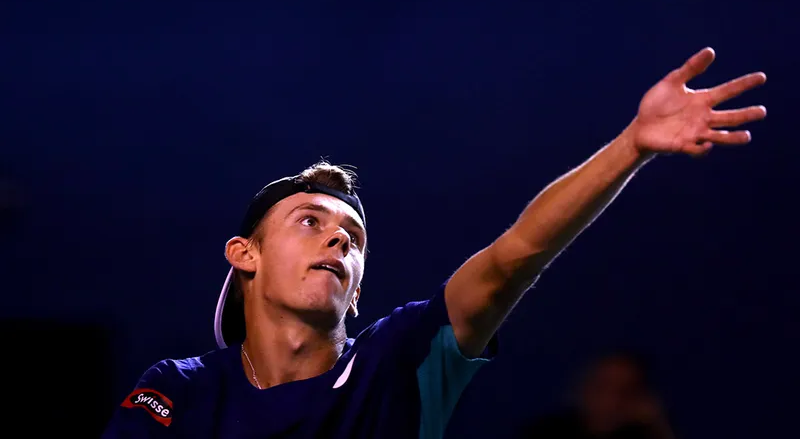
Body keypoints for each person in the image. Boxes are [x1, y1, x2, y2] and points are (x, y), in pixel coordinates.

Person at [102, 47, 766, 438]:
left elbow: (514, 256)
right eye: (309, 220)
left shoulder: (401, 360)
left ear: (357, 288)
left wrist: (631, 146)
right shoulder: (178, 390)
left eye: (353, 236)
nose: (337, 235)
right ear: (243, 255)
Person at [516, 352, 675, 439]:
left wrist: (656, 424)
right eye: (602, 387)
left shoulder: (642, 435)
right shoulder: (547, 432)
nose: (611, 401)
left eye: (625, 392)